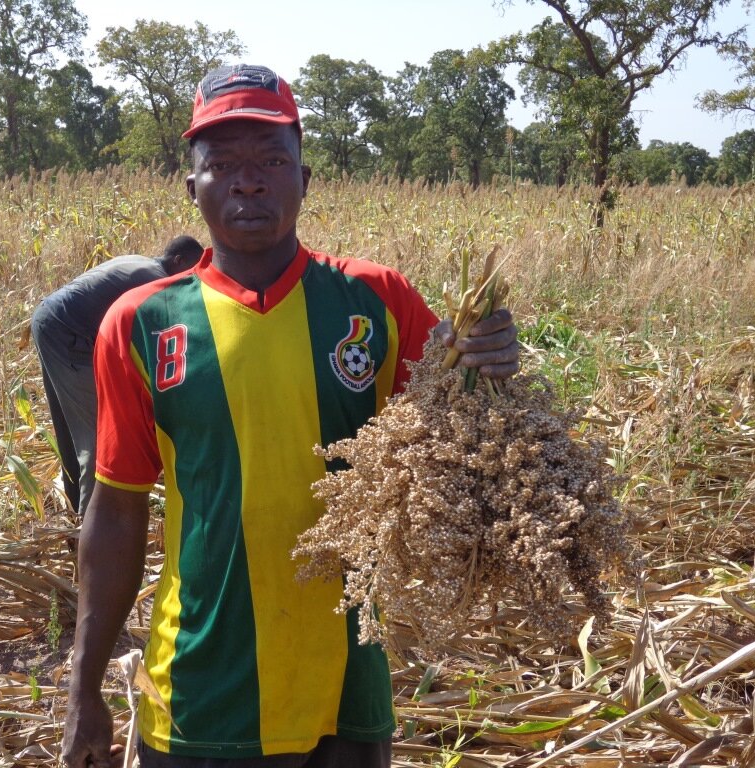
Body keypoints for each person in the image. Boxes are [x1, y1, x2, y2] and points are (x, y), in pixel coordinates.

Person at [62, 64, 519, 768]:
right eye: (223, 164)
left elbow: (462, 432)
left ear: (304, 179)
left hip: (346, 684)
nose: (248, 181)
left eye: (272, 160)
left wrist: (490, 359)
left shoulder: (378, 301)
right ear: (193, 189)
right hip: (199, 687)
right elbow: (117, 511)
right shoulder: (142, 323)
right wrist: (83, 687)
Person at [30, 236, 204, 517]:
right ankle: (91, 532)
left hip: (50, 320)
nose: (190, 280)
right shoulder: (153, 282)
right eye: (190, 271)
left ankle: (76, 513)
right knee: (98, 440)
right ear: (179, 262)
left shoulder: (139, 262)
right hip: (70, 334)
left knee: (71, 429)